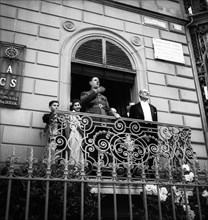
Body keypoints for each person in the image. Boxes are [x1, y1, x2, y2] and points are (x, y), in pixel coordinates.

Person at [129, 89, 158, 178]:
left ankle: (151, 175)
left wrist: (156, 135)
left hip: (152, 133)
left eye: (148, 92)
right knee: (139, 153)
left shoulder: (153, 108)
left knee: (151, 154)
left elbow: (155, 122)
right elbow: (132, 123)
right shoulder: (134, 108)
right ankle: (138, 174)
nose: (147, 93)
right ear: (140, 94)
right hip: (140, 133)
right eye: (145, 92)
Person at [68, 99, 84, 166]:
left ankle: (78, 167)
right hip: (75, 133)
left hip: (78, 134)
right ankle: (74, 167)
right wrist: (83, 134)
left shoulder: (78, 114)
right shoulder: (73, 113)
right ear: (73, 107)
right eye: (75, 105)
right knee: (75, 150)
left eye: (78, 105)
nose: (77, 106)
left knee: (78, 150)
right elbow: (76, 125)